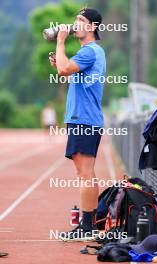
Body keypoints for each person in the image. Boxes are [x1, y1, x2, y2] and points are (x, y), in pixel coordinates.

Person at [49, 8, 106, 241]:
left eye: (81, 20)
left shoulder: (90, 51)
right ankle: (89, 225)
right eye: (75, 19)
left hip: (83, 119)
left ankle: (87, 227)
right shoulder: (91, 52)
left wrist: (60, 43)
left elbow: (65, 68)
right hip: (84, 118)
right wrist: (60, 63)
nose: (75, 24)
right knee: (85, 172)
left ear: (92, 26)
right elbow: (67, 72)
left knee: (85, 174)